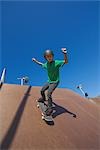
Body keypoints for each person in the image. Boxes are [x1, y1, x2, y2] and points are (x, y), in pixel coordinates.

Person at [32, 48, 68, 116]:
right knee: (42, 91)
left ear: (53, 56)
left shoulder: (56, 62)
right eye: (47, 57)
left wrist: (65, 54)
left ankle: (50, 109)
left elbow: (66, 62)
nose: (49, 58)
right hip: (49, 81)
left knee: (49, 93)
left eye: (50, 56)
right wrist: (35, 61)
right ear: (45, 58)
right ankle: (43, 98)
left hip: (55, 82)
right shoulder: (46, 64)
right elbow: (40, 64)